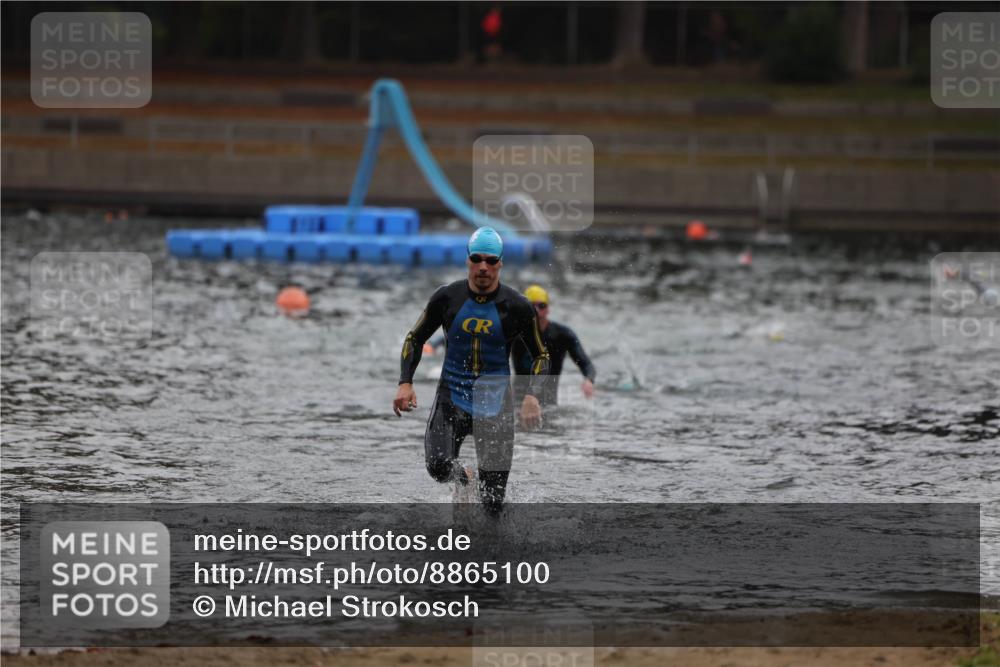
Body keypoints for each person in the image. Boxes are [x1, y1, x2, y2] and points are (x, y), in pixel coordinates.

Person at [393, 227, 549, 515]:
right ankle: (464, 477)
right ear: (467, 260)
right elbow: (415, 338)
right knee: (438, 467)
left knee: (492, 505)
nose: (483, 267)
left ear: (500, 263)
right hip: (452, 398)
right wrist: (405, 382)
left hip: (495, 406)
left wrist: (533, 396)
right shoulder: (446, 298)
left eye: (490, 261)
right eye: (476, 259)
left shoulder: (517, 307)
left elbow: (541, 355)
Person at [512, 285, 595, 407]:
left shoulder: (563, 335)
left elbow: (585, 363)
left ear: (548, 309)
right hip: (519, 401)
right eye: (532, 306)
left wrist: (588, 380)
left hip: (549, 403)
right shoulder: (514, 333)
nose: (537, 310)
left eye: (541, 306)